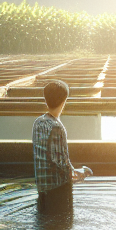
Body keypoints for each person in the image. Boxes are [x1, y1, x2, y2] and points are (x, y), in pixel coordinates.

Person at [32, 80, 86, 216]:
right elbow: (59, 161)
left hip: (42, 185)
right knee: (63, 226)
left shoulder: (38, 122)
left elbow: (47, 155)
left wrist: (72, 169)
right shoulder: (57, 127)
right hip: (58, 189)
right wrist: (78, 173)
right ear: (64, 102)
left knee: (45, 225)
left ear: (46, 100)